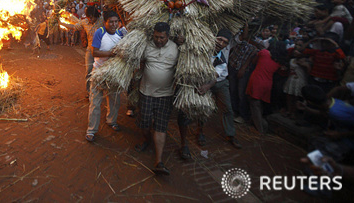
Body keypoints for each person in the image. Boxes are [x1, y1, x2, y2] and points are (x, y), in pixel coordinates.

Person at [134, 22, 179, 175]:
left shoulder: (176, 48)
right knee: (144, 122)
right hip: (146, 92)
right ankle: (146, 140)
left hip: (165, 94)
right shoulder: (146, 46)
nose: (158, 40)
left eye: (162, 38)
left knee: (161, 126)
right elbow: (140, 62)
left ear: (168, 36)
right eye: (156, 37)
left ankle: (159, 161)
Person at [186, 28, 242, 149]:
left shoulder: (221, 60)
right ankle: (200, 132)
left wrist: (207, 86)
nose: (221, 43)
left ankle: (231, 134)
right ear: (213, 38)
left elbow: (214, 77)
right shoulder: (201, 52)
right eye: (219, 39)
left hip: (219, 82)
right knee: (203, 108)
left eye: (225, 42)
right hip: (203, 81)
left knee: (227, 107)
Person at [85, 11, 124, 142]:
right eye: (111, 22)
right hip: (99, 72)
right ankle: (91, 130)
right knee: (95, 101)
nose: (114, 24)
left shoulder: (120, 34)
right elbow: (94, 51)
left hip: (113, 73)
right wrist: (110, 54)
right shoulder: (100, 32)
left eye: (116, 21)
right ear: (105, 22)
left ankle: (111, 121)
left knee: (114, 99)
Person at [246, 41, 288, 133]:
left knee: (254, 104)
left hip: (257, 80)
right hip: (268, 83)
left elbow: (254, 62)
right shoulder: (279, 61)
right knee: (259, 104)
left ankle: (260, 128)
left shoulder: (264, 53)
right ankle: (254, 123)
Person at [69, 6, 102, 98]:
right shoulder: (85, 22)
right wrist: (61, 23)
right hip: (90, 51)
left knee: (100, 72)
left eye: (92, 17)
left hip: (101, 52)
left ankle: (100, 90)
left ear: (96, 15)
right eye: (88, 17)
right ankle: (89, 91)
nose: (90, 19)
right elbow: (74, 27)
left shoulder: (102, 20)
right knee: (88, 71)